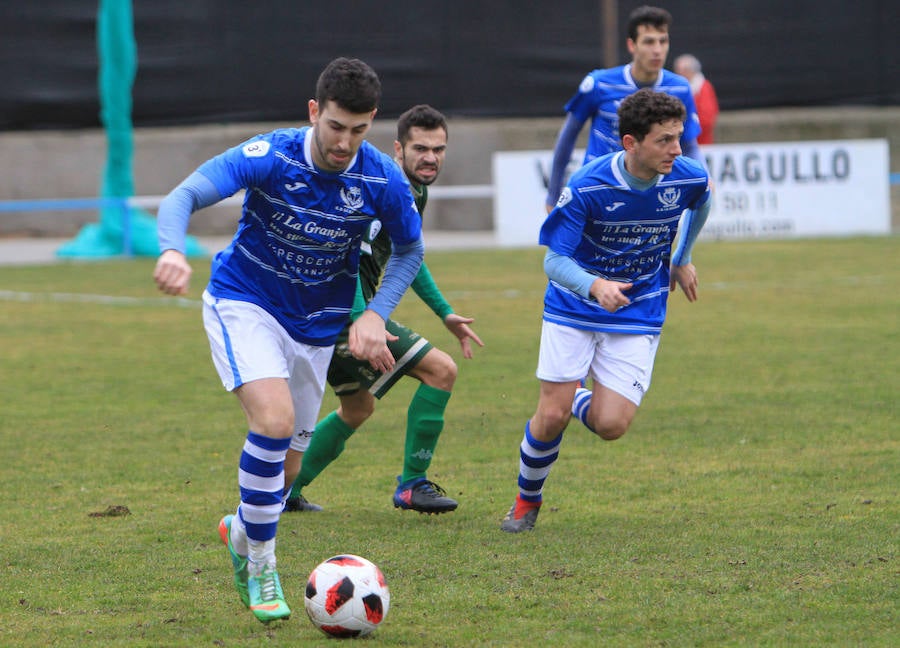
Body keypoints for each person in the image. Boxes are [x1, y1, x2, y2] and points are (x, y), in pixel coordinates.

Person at [152, 57, 425, 622]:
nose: (345, 142)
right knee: (272, 422)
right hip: (244, 303)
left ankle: (241, 534)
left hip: (317, 329)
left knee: (288, 472)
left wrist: (375, 313)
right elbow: (183, 196)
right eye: (335, 127)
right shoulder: (270, 155)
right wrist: (172, 249)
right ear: (313, 113)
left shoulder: (381, 178)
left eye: (358, 129)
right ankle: (263, 568)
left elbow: (409, 250)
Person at [500, 88, 711, 533]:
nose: (677, 149)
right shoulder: (588, 186)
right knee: (551, 416)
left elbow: (704, 196)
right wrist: (596, 286)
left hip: (639, 310)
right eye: (665, 140)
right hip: (574, 306)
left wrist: (683, 256)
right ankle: (526, 501)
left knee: (612, 425)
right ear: (631, 143)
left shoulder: (685, 176)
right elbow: (554, 261)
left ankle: (574, 394)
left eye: (678, 137)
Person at [282, 104, 484, 515]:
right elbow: (347, 257)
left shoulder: (412, 191)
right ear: (398, 149)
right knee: (441, 370)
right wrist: (361, 321)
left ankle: (285, 492)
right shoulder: (388, 187)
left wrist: (444, 313)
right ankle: (412, 485)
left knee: (358, 407)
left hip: (336, 312)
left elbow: (411, 255)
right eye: (421, 148)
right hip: (341, 312)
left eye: (439, 149)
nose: (430, 158)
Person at [545, 5, 705, 212]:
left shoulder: (680, 88)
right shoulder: (599, 84)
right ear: (632, 45)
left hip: (650, 194)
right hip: (598, 191)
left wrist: (705, 178)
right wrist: (553, 194)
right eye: (649, 41)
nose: (657, 49)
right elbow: (567, 137)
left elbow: (689, 144)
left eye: (662, 41)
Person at [674, 53, 719, 144]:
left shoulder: (703, 88)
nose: (679, 73)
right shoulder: (677, 88)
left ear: (692, 71)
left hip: (699, 142)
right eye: (678, 70)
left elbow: (707, 120)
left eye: (684, 70)